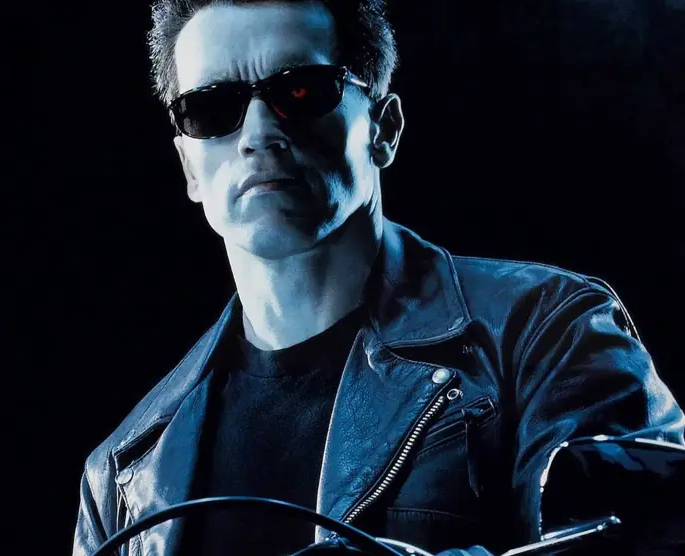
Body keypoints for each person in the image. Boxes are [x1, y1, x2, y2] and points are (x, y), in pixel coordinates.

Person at [72, 1, 685, 554]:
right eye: (211, 109)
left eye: (300, 90)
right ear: (188, 167)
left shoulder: (544, 333)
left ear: (384, 129)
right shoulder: (124, 473)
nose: (258, 135)